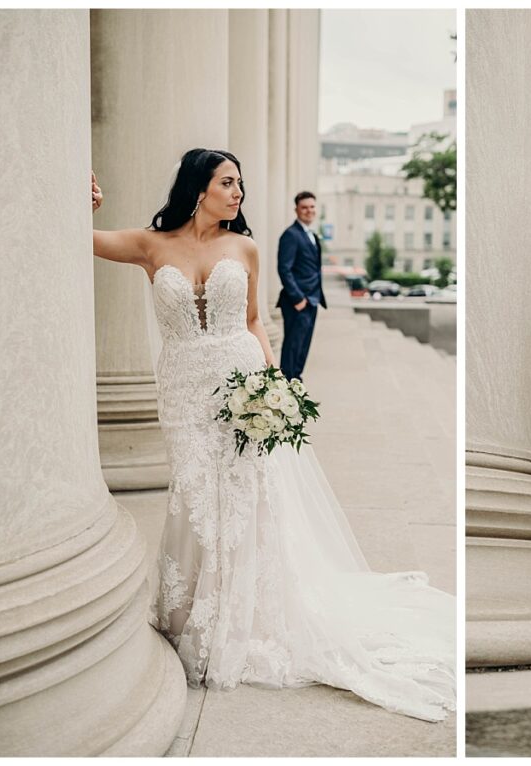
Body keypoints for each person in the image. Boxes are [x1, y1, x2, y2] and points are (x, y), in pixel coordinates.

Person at [90, 148, 454, 723]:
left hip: (241, 382)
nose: (238, 192)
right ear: (198, 187)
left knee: (244, 497)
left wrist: (274, 385)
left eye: (240, 183)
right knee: (193, 493)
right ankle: (192, 615)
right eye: (227, 182)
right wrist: (80, 199)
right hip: (184, 389)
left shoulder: (246, 247)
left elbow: (255, 319)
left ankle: (244, 617)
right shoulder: (150, 244)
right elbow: (82, 238)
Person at [276, 191, 326, 382]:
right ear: (296, 209)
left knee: (303, 346)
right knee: (293, 346)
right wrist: (298, 299)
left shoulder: (311, 235)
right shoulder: (290, 235)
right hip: (297, 302)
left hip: (312, 300)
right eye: (304, 207)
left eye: (312, 207)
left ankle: (296, 382)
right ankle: (287, 384)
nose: (309, 211)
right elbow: (284, 269)